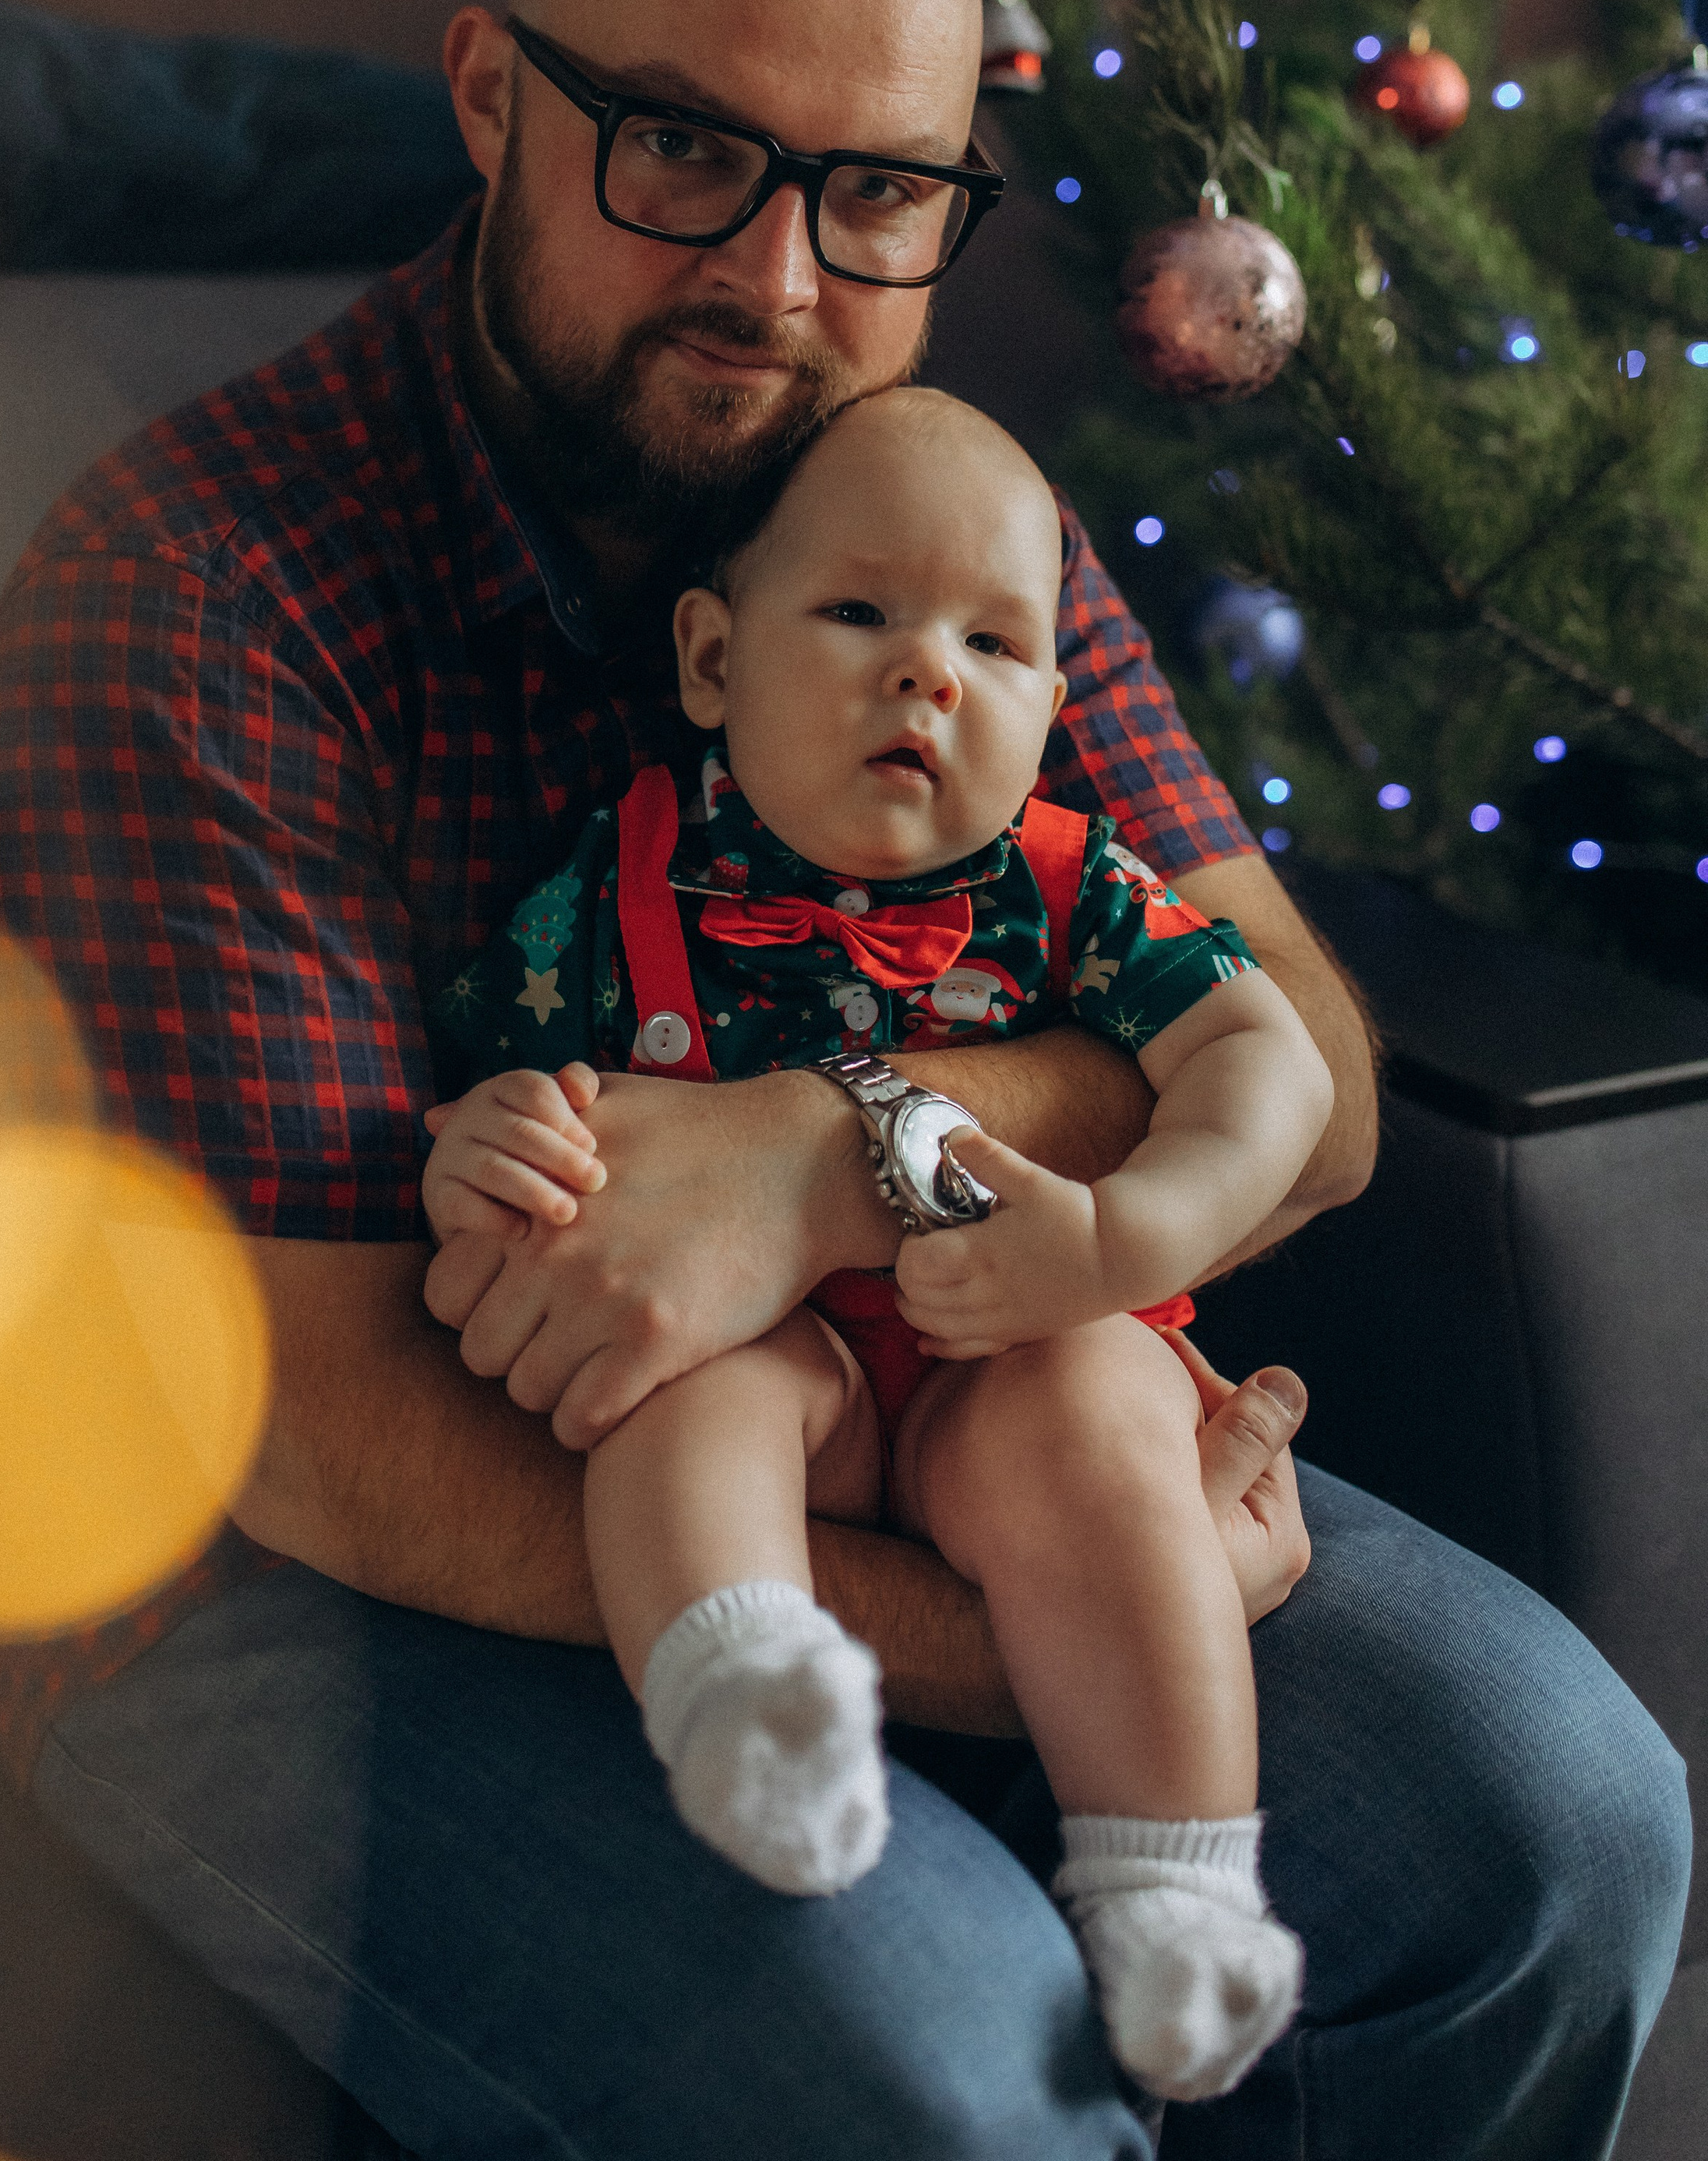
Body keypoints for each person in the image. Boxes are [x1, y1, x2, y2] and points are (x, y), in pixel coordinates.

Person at [0, 0, 1689, 2159]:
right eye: (680, 146)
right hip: (270, 1579)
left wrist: (830, 1159)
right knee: (951, 2082)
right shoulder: (192, 591)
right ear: (492, 99)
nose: (777, 284)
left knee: (1563, 1825)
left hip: (939, 1402)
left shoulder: (935, 515)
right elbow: (310, 1431)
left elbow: (1303, 1057)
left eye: (875, 190)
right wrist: (1069, 1627)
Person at [427, 385, 1334, 2099]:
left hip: (1019, 1342)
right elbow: (494, 1099)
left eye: (991, 644)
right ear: (710, 659)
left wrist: (1127, 1232)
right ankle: (743, 1691)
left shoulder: (1076, 896)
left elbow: (1270, 1062)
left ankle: (1178, 1889)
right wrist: (475, 1150)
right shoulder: (605, 900)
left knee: (1091, 1426)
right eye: (859, 613)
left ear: (1051, 710)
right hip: (802, 1384)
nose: (928, 672)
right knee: (686, 1401)